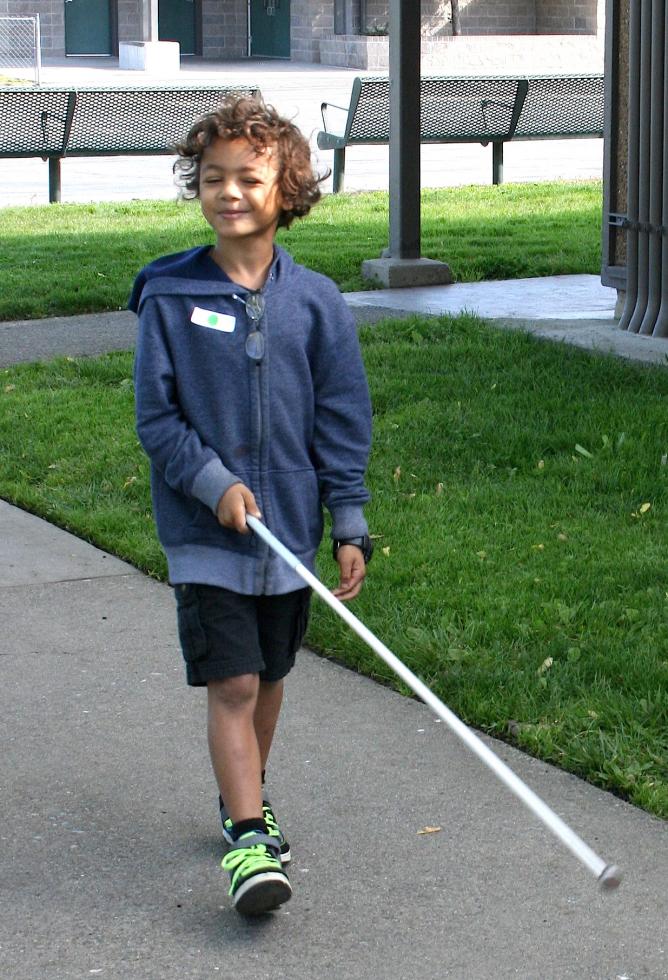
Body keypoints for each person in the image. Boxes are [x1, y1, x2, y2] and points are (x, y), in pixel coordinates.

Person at [130, 95, 373, 916]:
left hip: (290, 536)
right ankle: (248, 840)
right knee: (232, 682)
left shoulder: (319, 304)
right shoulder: (169, 298)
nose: (229, 192)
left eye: (249, 178)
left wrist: (348, 520)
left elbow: (342, 419)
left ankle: (248, 798)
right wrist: (213, 483)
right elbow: (158, 420)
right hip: (207, 534)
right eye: (212, 179)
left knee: (269, 678)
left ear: (287, 190)